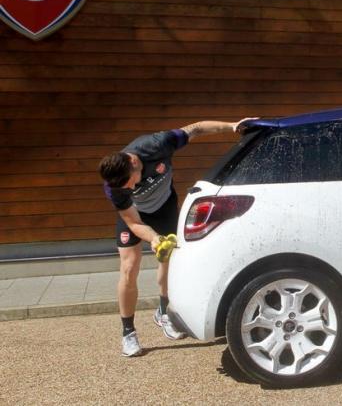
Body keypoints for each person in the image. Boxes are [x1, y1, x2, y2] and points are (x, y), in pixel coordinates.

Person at [99, 118, 254, 357]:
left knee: (168, 263)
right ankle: (128, 332)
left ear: (133, 162)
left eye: (130, 181)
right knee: (129, 268)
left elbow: (196, 129)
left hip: (165, 207)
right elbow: (134, 223)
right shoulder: (115, 186)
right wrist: (153, 238)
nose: (129, 188)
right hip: (138, 215)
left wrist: (232, 126)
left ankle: (163, 313)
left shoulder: (157, 144)